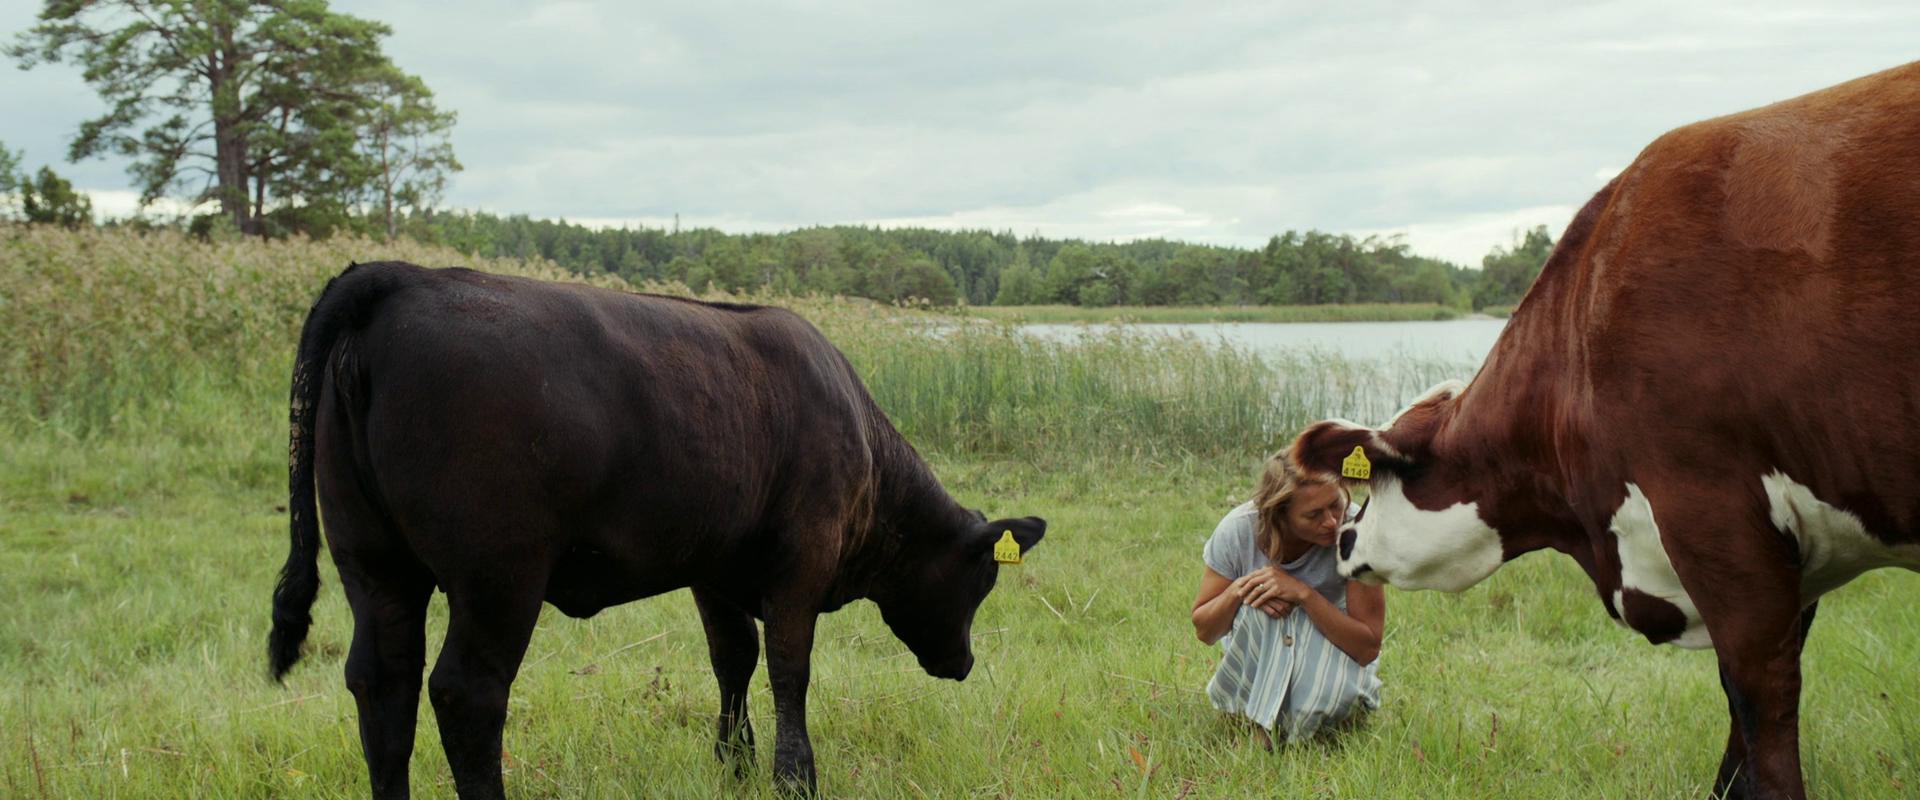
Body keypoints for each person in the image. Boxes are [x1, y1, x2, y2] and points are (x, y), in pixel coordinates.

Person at [1190, 452, 1384, 746]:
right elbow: (1205, 631)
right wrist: (1242, 588)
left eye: (1336, 504)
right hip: (1261, 652)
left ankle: (1301, 717)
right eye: (1313, 514)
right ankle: (1261, 726)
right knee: (1262, 602)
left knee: (1335, 705)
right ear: (1279, 514)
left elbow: (1367, 647)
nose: (1331, 522)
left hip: (1333, 650)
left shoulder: (1357, 533)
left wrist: (1304, 594)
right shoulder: (1239, 530)